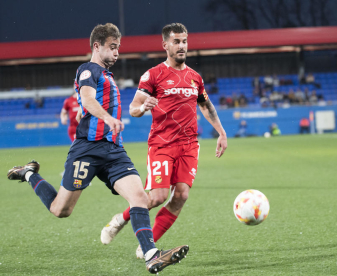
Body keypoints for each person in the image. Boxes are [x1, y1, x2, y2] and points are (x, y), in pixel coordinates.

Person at [6, 23, 188, 275]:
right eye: (112, 48)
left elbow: (93, 102)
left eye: (118, 48)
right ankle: (28, 173)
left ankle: (151, 255)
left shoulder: (107, 75)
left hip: (114, 151)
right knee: (61, 210)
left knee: (140, 198)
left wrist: (141, 107)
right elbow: (89, 99)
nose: (116, 53)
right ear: (97, 46)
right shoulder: (87, 70)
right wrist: (108, 118)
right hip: (87, 151)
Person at [100, 23, 227, 259]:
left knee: (181, 196)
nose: (182, 46)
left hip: (189, 145)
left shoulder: (194, 78)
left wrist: (221, 132)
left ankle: (146, 244)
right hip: (162, 145)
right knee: (157, 197)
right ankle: (119, 220)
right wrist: (143, 107)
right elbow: (133, 107)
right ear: (165, 45)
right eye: (176, 42)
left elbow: (205, 105)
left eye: (184, 41)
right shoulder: (153, 75)